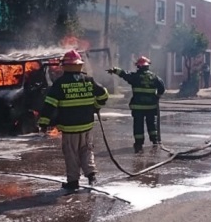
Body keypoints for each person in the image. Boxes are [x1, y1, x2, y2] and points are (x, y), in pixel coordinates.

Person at [39, 50, 109, 191]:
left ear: (65, 65)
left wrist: (43, 123)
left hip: (70, 127)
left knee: (71, 153)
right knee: (86, 150)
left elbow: (49, 105)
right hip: (87, 125)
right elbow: (104, 95)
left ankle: (73, 181)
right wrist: (96, 107)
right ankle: (91, 175)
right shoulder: (88, 80)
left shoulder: (59, 84)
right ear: (79, 65)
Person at [108, 56, 165, 153]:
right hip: (151, 107)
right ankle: (155, 141)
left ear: (138, 67)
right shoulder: (155, 77)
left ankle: (139, 143)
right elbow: (162, 88)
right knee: (152, 123)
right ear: (148, 66)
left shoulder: (135, 77)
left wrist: (115, 70)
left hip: (138, 107)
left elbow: (125, 74)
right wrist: (157, 96)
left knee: (138, 124)